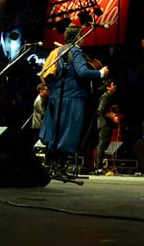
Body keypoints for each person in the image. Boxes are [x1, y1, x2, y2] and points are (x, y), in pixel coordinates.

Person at [39, 23, 108, 180]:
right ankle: (61, 168)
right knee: (70, 132)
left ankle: (52, 167)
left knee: (56, 132)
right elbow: (82, 72)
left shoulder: (58, 51)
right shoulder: (75, 51)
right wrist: (101, 73)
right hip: (72, 97)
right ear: (79, 38)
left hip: (56, 97)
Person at [94, 79, 120, 174]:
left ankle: (99, 166)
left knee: (103, 145)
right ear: (108, 87)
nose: (115, 86)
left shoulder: (109, 97)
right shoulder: (106, 96)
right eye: (113, 85)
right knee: (102, 144)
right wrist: (113, 116)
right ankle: (98, 167)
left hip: (105, 124)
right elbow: (101, 110)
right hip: (103, 124)